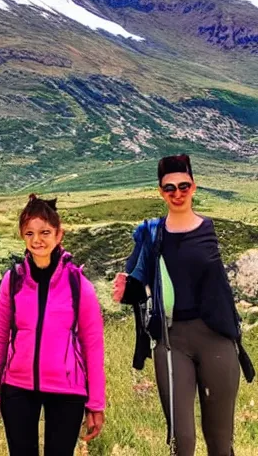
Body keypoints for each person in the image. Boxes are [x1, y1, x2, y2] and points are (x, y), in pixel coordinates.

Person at [113, 154, 255, 456]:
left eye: (183, 186)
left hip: (216, 337)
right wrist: (125, 288)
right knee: (182, 442)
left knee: (219, 442)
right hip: (171, 339)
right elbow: (136, 282)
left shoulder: (210, 228)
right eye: (169, 188)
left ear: (194, 187)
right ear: (160, 192)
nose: (177, 193)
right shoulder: (152, 234)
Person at [0, 194, 106, 456]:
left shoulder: (78, 284)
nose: (37, 240)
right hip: (17, 388)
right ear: (22, 235)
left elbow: (92, 346)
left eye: (45, 232)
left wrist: (95, 403)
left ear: (59, 235)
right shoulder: (12, 281)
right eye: (29, 233)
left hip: (67, 390)